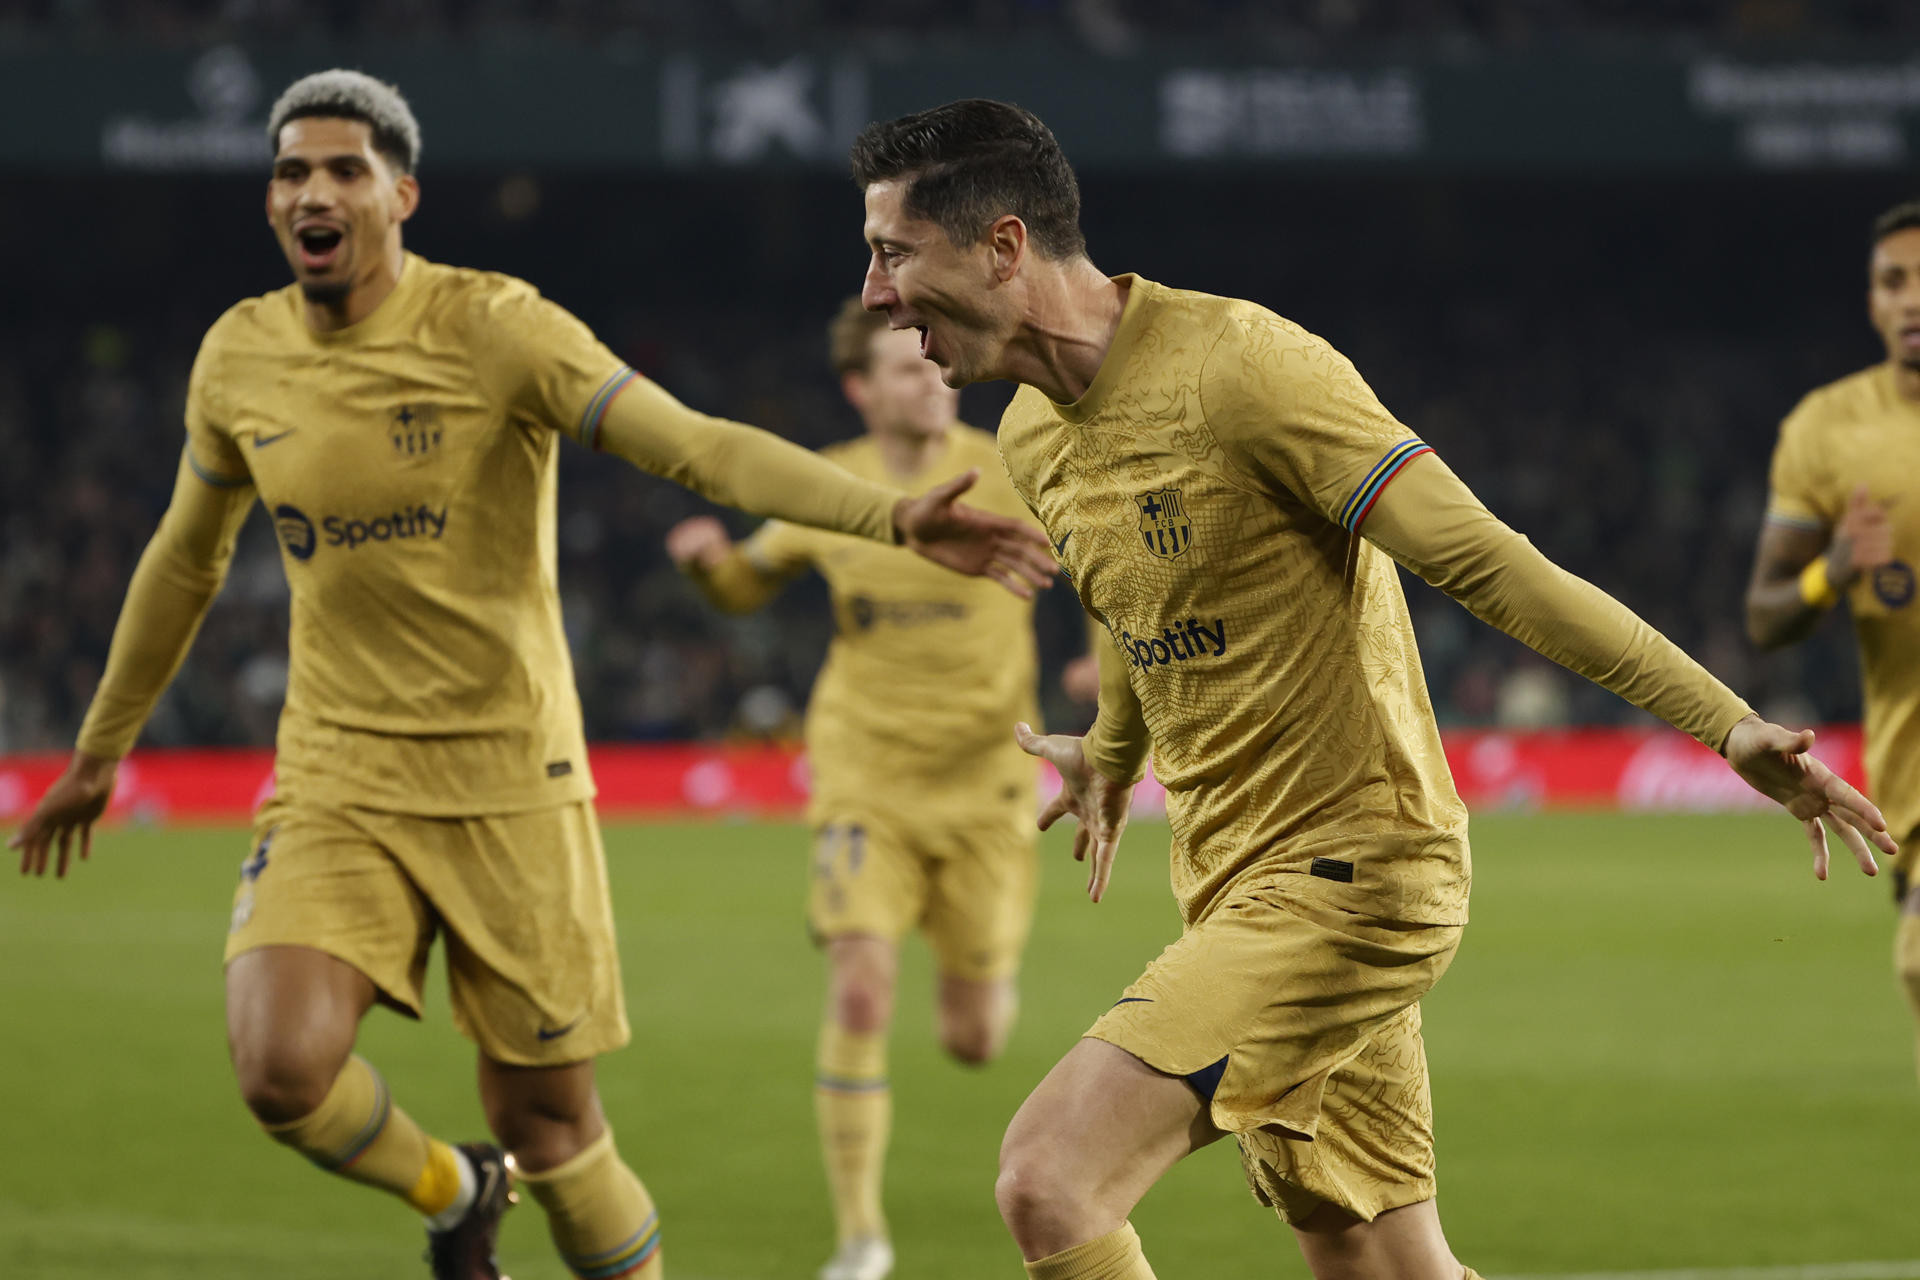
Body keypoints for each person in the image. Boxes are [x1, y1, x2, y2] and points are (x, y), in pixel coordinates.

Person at [7, 71, 1050, 1280]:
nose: (313, 190)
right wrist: (97, 753)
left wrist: (888, 515)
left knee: (550, 1123)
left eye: (344, 169)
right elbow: (182, 561)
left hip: (512, 781)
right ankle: (454, 1192)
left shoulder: (497, 326)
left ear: (400, 193)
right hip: (336, 776)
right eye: (290, 171)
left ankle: (504, 1178)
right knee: (279, 1068)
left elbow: (698, 446)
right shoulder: (239, 356)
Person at [849, 98, 1897, 1280]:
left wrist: (1728, 721)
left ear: (1000, 246)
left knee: (1050, 1177)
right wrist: (1111, 745)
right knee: (1376, 1256)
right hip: (1233, 881)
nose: (876, 293)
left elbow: (1493, 563)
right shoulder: (1034, 435)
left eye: (892, 252)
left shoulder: (1245, 369)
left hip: (1354, 877)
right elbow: (1126, 597)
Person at [665, 297, 1045, 1280]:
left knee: (973, 1037)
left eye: (932, 361)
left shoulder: (1014, 466)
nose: (927, 375)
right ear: (860, 388)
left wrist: (1101, 672)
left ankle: (978, 980)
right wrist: (710, 569)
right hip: (864, 779)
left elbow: (1100, 569)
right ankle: (862, 1236)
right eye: (902, 366)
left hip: (987, 788)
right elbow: (748, 582)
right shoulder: (830, 485)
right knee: (862, 980)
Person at [1746, 199, 1920, 1078]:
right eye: (1896, 281)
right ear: (1872, 302)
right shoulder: (1828, 429)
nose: (1914, 300)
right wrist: (1833, 570)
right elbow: (1767, 614)